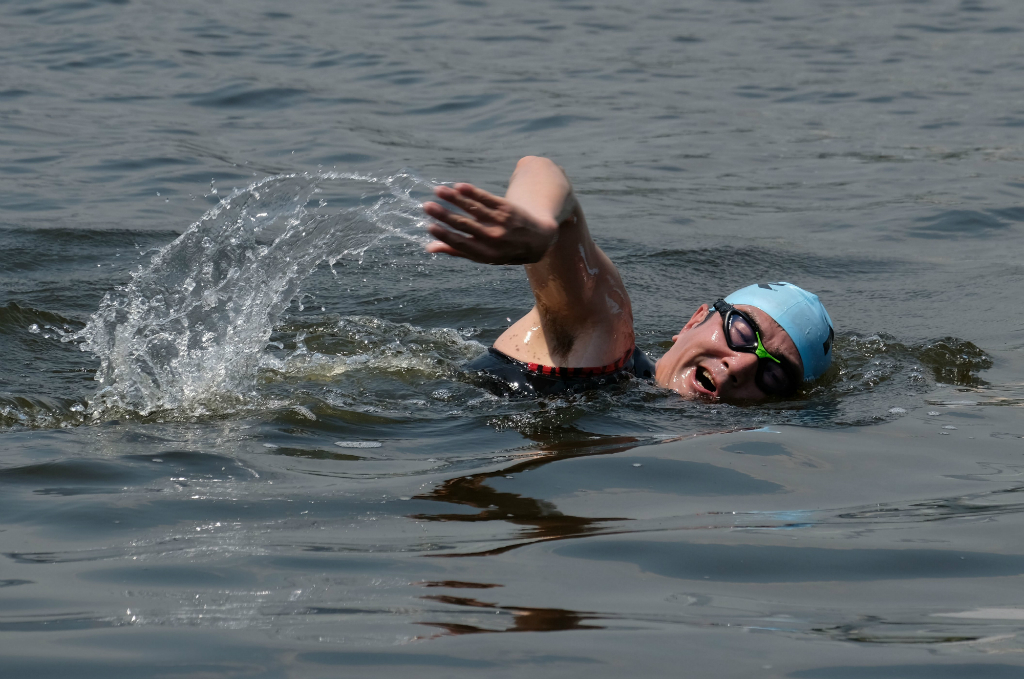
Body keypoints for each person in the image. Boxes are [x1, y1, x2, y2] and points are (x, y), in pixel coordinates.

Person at [422, 156, 834, 401]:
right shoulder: (602, 340)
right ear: (694, 320)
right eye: (742, 331)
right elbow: (542, 170)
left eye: (774, 374)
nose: (741, 364)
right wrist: (538, 223)